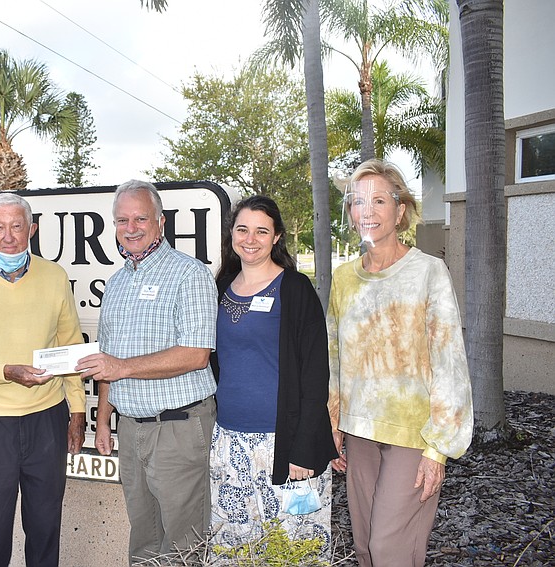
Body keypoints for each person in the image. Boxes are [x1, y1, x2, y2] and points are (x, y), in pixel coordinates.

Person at [328, 159, 473, 567]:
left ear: (400, 210)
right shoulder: (343, 278)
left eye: (378, 200)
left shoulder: (429, 272)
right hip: (358, 431)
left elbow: (450, 363)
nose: (367, 211)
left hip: (414, 435)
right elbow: (334, 356)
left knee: (390, 550)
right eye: (358, 202)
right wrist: (334, 421)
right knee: (363, 549)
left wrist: (438, 450)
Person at [75, 179, 218, 565]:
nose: (131, 228)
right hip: (131, 428)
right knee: (144, 540)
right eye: (122, 220)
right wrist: (103, 419)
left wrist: (121, 367)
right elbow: (108, 359)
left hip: (178, 429)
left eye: (140, 218)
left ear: (161, 221)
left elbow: (196, 354)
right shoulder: (118, 282)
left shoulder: (190, 274)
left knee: (184, 543)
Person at [0, 193, 86, 567]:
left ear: (32, 230)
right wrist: (6, 371)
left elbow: (70, 347)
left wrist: (77, 410)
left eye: (17, 226)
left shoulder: (54, 277)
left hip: (47, 421)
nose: (8, 236)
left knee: (44, 531)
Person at [210, 195, 337, 551]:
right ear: (231, 234)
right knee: (233, 551)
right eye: (243, 229)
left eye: (261, 231)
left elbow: (315, 376)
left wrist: (303, 448)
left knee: (291, 552)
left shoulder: (295, 290)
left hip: (284, 444)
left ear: (277, 237)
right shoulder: (219, 290)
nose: (250, 239)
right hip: (229, 444)